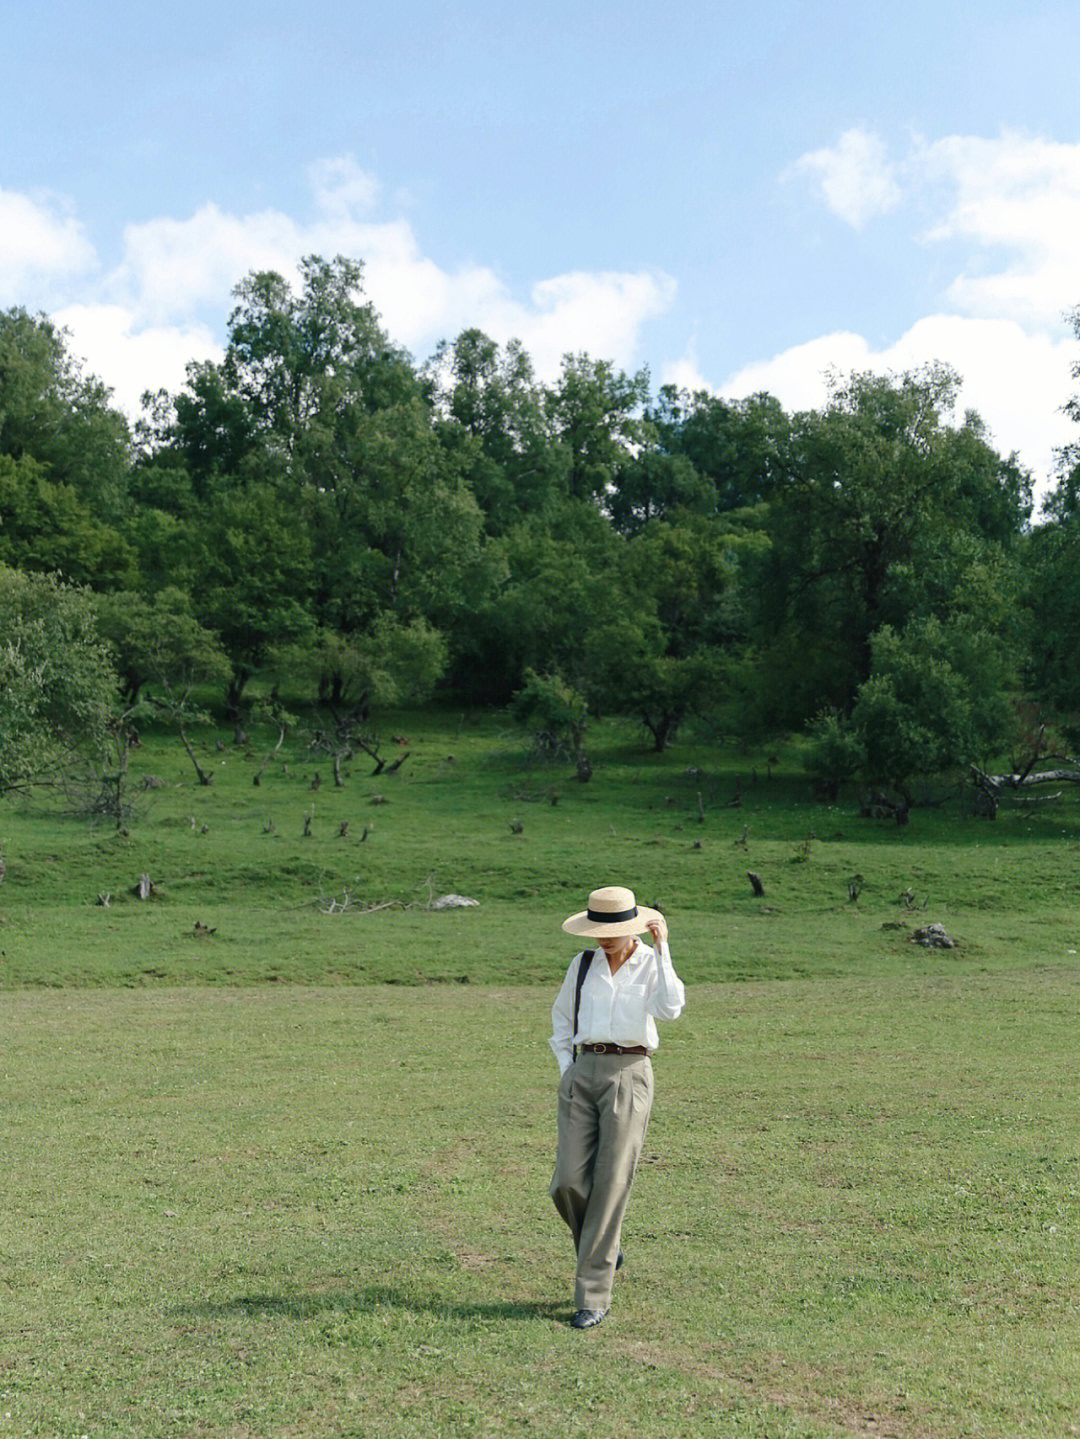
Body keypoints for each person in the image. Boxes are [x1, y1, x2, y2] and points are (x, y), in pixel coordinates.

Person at [549, 884, 686, 1329]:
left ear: (634, 929)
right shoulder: (583, 964)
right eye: (597, 930)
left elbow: (670, 1009)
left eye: (613, 930)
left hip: (630, 1071)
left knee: (610, 1184)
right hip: (582, 1071)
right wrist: (568, 1069)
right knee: (567, 1182)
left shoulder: (649, 964)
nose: (602, 938)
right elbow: (561, 1019)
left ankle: (593, 1294)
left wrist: (663, 949)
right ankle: (603, 1246)